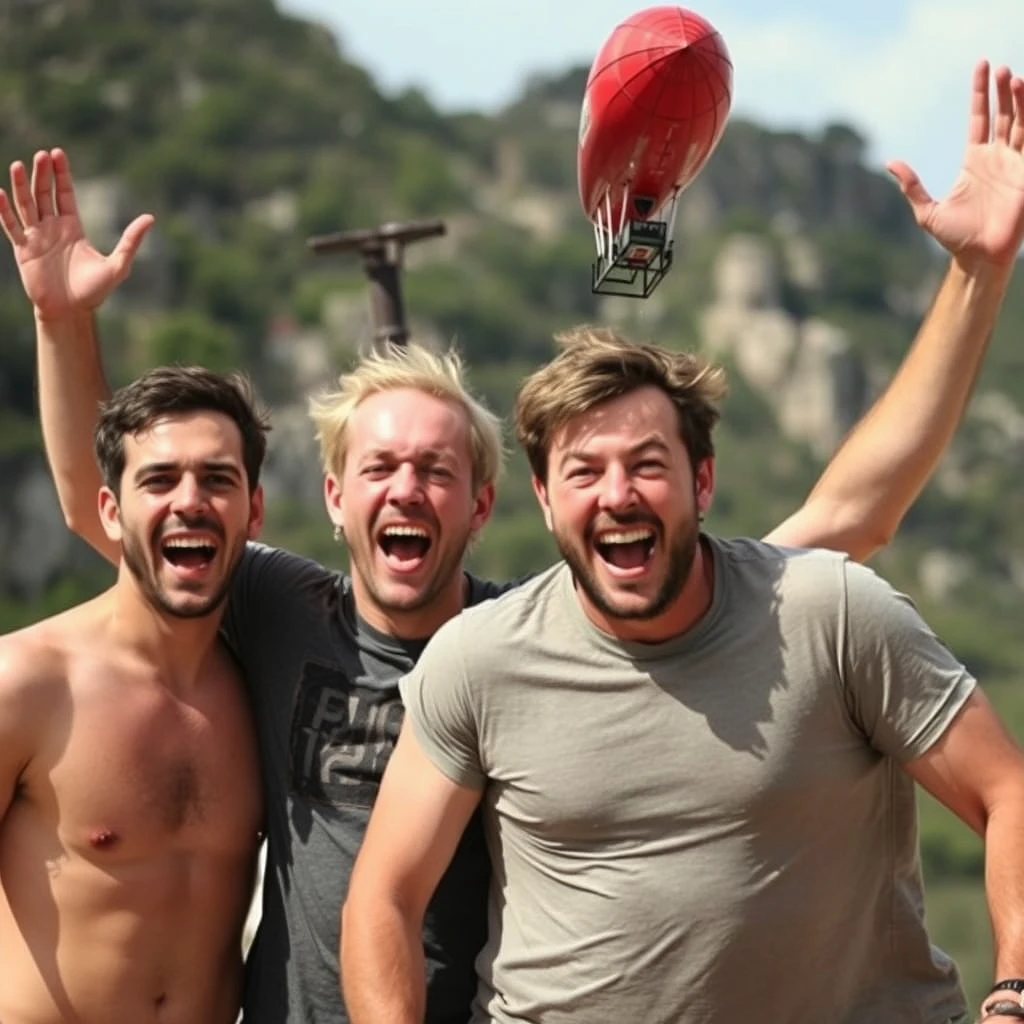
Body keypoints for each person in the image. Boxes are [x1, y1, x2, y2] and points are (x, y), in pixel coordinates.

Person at [4, 56, 1024, 1024]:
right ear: (332, 496)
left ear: (491, 504)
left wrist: (976, 279)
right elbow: (117, 509)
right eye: (381, 469)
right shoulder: (271, 611)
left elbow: (850, 514)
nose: (407, 487)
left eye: (439, 470)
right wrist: (61, 325)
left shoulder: (528, 636)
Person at [342, 320, 1024, 1024]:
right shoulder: (477, 659)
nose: (618, 495)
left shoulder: (833, 613)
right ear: (544, 499)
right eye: (583, 471)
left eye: (647, 464)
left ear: (701, 480)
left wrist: (1014, 995)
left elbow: (1007, 791)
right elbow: (384, 894)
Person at [0, 366, 268, 1023]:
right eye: (158, 479)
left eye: (217, 479)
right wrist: (57, 316)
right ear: (112, 513)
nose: (189, 500)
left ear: (254, 510)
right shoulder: (27, 684)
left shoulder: (267, 685)